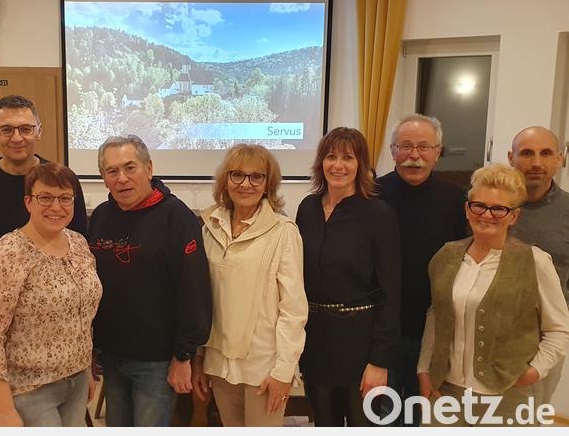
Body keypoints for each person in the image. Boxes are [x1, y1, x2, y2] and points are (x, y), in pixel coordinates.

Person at [417, 164, 569, 426]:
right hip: (447, 391)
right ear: (467, 210)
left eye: (499, 208)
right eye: (479, 206)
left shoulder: (535, 262)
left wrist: (534, 372)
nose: (487, 215)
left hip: (508, 395)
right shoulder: (445, 256)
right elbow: (436, 316)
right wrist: (424, 369)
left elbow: (558, 329)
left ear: (514, 216)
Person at [88, 135, 212, 426]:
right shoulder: (101, 216)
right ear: (104, 179)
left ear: (149, 169)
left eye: (130, 168)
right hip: (112, 356)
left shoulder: (177, 217)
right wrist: (91, 347)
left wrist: (183, 357)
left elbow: (193, 289)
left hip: (157, 362)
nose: (122, 178)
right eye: (112, 171)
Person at [0, 162, 102, 427]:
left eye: (65, 198)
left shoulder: (78, 243)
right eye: (45, 197)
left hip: (76, 381)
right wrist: (4, 409)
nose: (56, 207)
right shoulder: (11, 252)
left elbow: (83, 311)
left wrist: (86, 367)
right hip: (32, 390)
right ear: (28, 202)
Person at [192, 144, 307, 426]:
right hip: (219, 362)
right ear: (225, 180)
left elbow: (293, 309)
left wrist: (283, 371)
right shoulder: (210, 228)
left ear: (268, 184)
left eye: (257, 177)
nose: (246, 184)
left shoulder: (283, 232)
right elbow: (201, 299)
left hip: (264, 365)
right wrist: (198, 358)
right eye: (237, 175)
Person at [295, 127, 401, 426]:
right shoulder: (308, 208)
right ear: (320, 163)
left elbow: (390, 292)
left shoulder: (379, 214)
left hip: (360, 341)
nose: (338, 165)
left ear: (362, 165)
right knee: (324, 423)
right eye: (330, 156)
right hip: (315, 339)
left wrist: (379, 361)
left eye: (348, 157)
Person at [376, 114, 467, 425]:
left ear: (438, 152)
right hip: (380, 331)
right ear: (392, 151)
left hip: (432, 331)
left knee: (419, 414)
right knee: (380, 415)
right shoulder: (370, 194)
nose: (414, 155)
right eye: (406, 146)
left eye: (424, 147)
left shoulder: (458, 200)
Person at [0, 95, 87, 247]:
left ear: (39, 131)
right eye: (6, 130)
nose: (17, 138)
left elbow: (79, 238)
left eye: (26, 129)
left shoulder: (62, 180)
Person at [508, 126, 569, 405]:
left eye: (545, 153)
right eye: (527, 153)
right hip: (484, 333)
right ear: (511, 158)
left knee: (530, 417)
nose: (536, 163)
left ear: (560, 158)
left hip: (543, 340)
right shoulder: (490, 206)